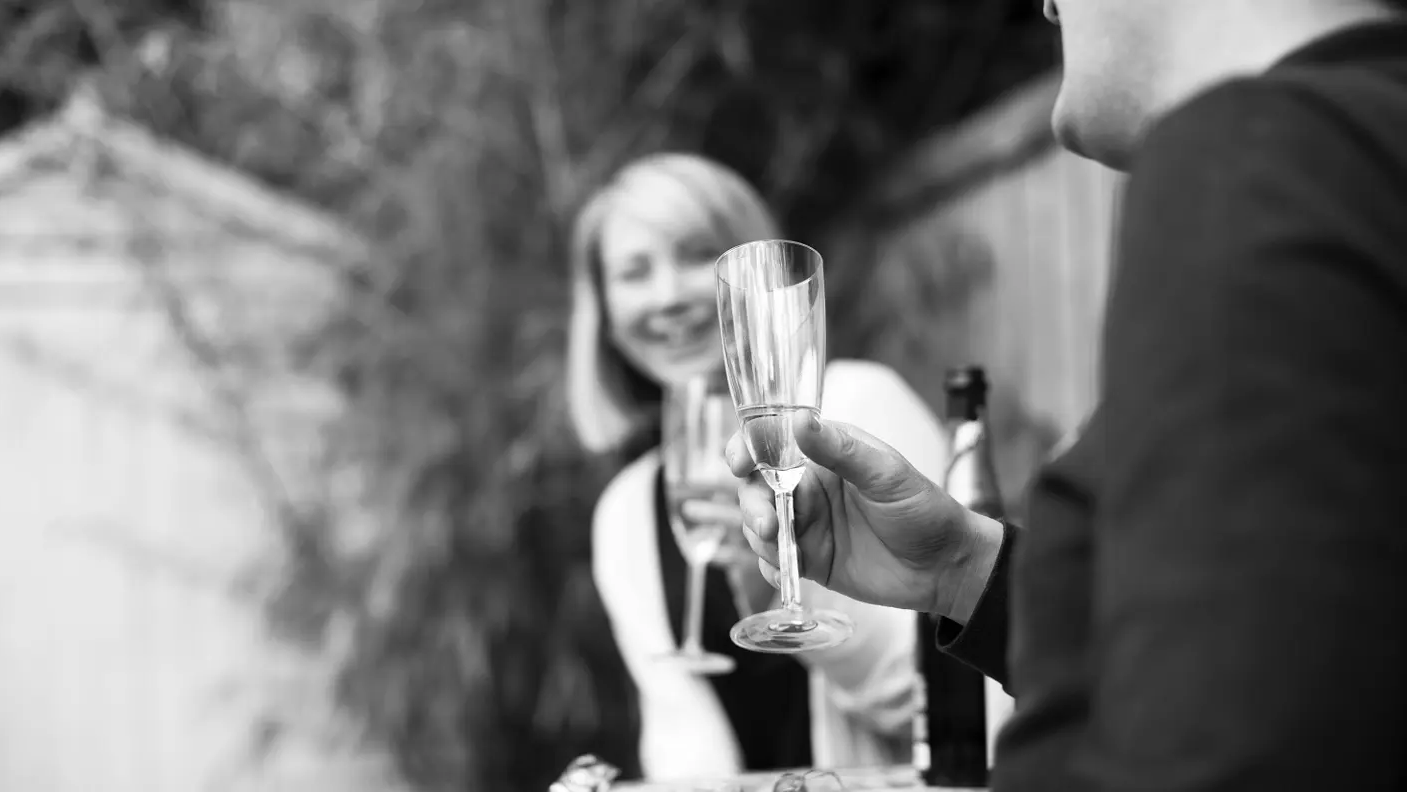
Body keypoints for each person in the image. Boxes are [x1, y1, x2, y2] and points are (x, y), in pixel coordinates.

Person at [730, 1, 1407, 789]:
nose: (1047, 4)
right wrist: (962, 568)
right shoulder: (1350, 154)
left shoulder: (1257, 157)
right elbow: (1301, 653)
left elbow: (1229, 754)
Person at [566, 152, 975, 781]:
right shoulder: (624, 513)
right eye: (634, 272)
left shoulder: (855, 414)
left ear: (759, 280)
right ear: (605, 315)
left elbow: (952, 701)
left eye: (696, 254)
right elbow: (681, 750)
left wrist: (789, 588)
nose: (669, 295)